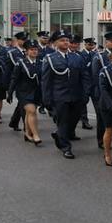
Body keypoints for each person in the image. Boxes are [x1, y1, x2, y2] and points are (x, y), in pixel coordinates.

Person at [41, 30, 91, 159]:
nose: (66, 42)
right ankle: (66, 147)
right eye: (62, 40)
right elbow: (46, 81)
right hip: (60, 96)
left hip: (76, 95)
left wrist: (86, 93)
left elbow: (85, 77)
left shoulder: (77, 57)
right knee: (63, 122)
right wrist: (46, 100)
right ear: (56, 43)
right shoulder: (50, 59)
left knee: (73, 120)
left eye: (67, 40)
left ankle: (60, 135)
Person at [7, 39, 43, 145]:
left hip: (36, 91)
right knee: (32, 111)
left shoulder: (41, 62)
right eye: (31, 50)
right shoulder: (20, 63)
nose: (34, 52)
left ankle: (27, 133)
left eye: (36, 49)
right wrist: (10, 93)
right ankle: (35, 135)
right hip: (23, 92)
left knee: (29, 113)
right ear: (26, 51)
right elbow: (14, 78)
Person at [4, 31, 29, 130]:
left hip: (29, 82)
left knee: (22, 103)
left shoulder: (30, 50)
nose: (24, 41)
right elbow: (10, 69)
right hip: (18, 82)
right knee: (24, 104)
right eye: (23, 40)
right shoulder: (12, 53)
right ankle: (27, 129)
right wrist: (8, 87)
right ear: (17, 40)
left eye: (26, 39)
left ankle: (14, 122)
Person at [79, 37, 97, 131]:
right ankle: (84, 121)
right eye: (89, 44)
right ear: (85, 45)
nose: (92, 46)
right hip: (85, 82)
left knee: (97, 103)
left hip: (94, 83)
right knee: (83, 103)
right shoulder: (80, 55)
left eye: (93, 44)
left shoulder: (95, 54)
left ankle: (101, 120)